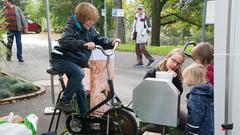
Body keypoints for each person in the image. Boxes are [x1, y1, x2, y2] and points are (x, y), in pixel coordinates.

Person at [51, 2, 120, 114]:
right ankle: (64, 101)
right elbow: (64, 42)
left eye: (93, 20)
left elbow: (98, 39)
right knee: (79, 73)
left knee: (81, 93)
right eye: (89, 20)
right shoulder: (71, 27)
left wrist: (111, 42)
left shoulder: (89, 29)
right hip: (62, 59)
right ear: (82, 17)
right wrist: (83, 44)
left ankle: (85, 121)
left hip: (73, 61)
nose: (91, 23)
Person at [139, 48, 185, 134]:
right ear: (167, 57)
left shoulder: (176, 75)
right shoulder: (152, 73)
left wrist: (174, 80)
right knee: (163, 127)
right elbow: (144, 92)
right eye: (173, 60)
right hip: (153, 107)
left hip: (170, 108)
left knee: (187, 122)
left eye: (178, 63)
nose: (175, 65)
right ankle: (143, 130)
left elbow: (179, 92)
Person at [182, 63, 214, 135]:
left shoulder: (196, 95)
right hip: (209, 128)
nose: (184, 80)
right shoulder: (208, 90)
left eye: (185, 77)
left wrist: (190, 131)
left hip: (199, 131)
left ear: (192, 78)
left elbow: (195, 116)